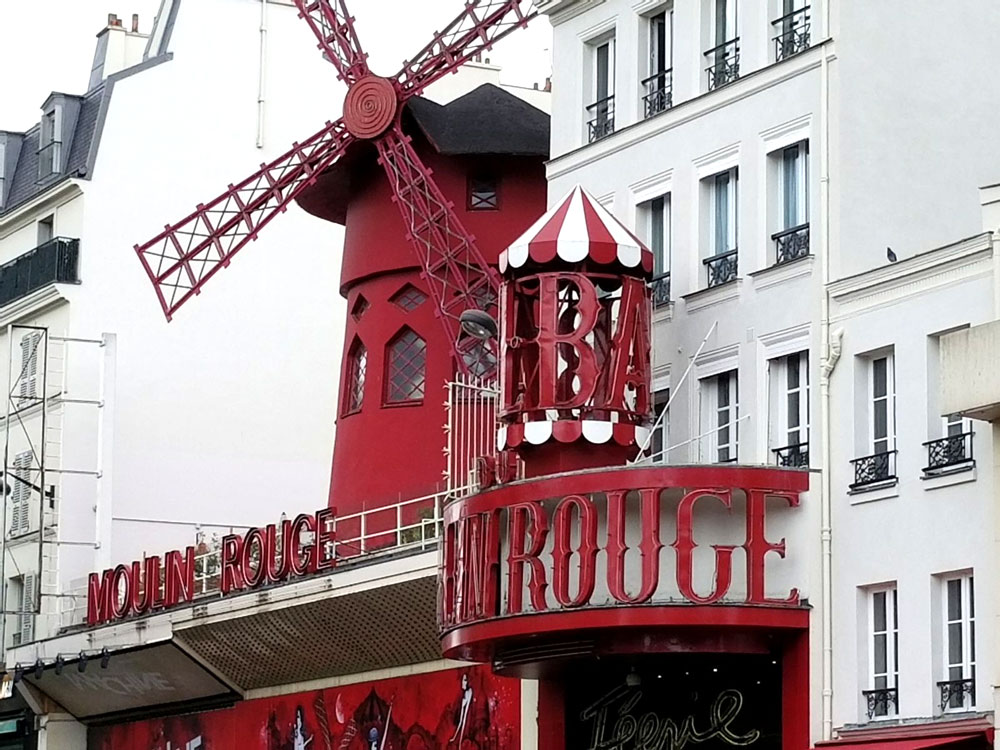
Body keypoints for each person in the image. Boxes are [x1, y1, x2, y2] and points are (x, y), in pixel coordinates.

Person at [449, 673, 473, 745]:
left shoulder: (470, 691)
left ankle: (459, 743)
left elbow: (466, 713)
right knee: (460, 721)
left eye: (465, 680)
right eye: (463, 680)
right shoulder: (464, 693)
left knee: (463, 721)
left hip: (466, 704)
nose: (463, 682)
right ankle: (455, 738)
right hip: (464, 703)